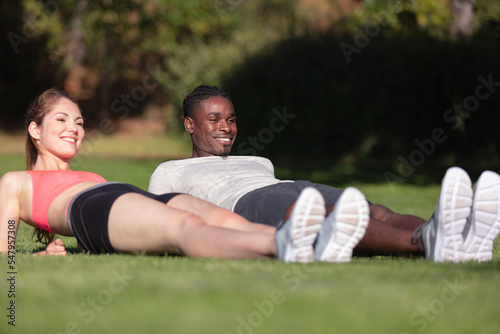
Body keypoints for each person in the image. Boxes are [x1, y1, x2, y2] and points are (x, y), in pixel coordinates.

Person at [0, 88, 374, 263]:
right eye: (61, 120)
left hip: (124, 199)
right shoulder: (16, 181)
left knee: (223, 218)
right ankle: (282, 247)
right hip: (91, 208)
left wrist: (52, 247)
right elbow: (5, 251)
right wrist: (37, 258)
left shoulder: (90, 172)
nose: (74, 128)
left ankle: (313, 242)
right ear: (35, 130)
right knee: (183, 227)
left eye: (79, 122)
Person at [149, 85, 500, 262]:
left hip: (285, 185)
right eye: (214, 120)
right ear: (189, 124)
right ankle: (424, 242)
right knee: (332, 217)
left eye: (231, 119)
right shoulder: (171, 171)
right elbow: (161, 221)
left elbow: (280, 185)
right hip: (244, 203)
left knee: (372, 208)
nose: (226, 127)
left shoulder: (260, 161)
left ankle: (456, 235)